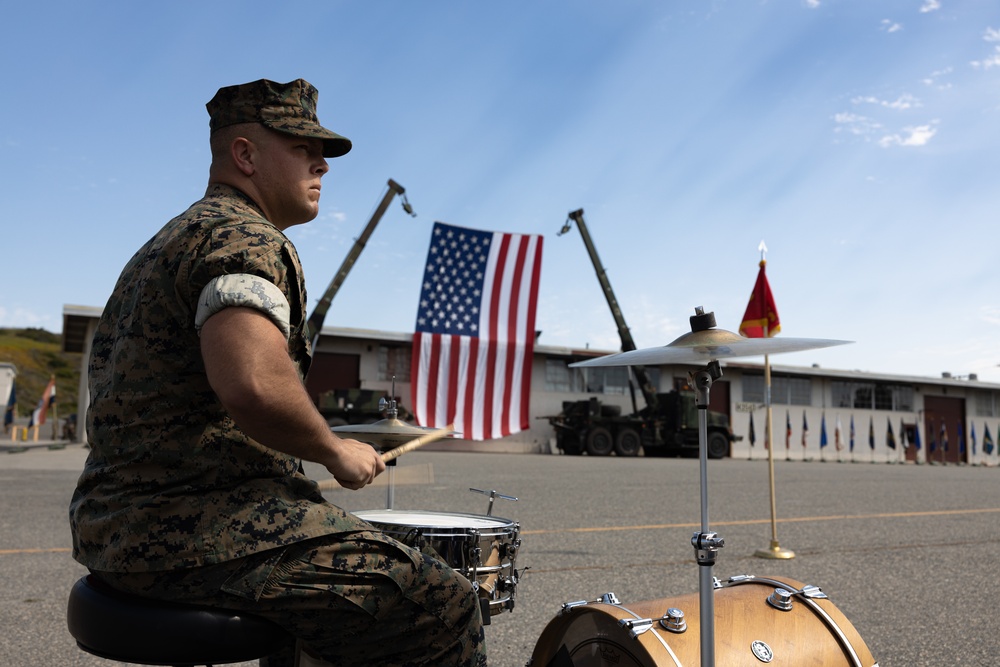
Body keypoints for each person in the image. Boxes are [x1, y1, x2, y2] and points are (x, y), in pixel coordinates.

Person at [69, 78, 486, 667]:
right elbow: (253, 383)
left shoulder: (169, 240)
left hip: (116, 525)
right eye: (301, 147)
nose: (321, 164)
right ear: (244, 155)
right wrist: (334, 450)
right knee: (441, 601)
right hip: (191, 530)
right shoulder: (243, 236)